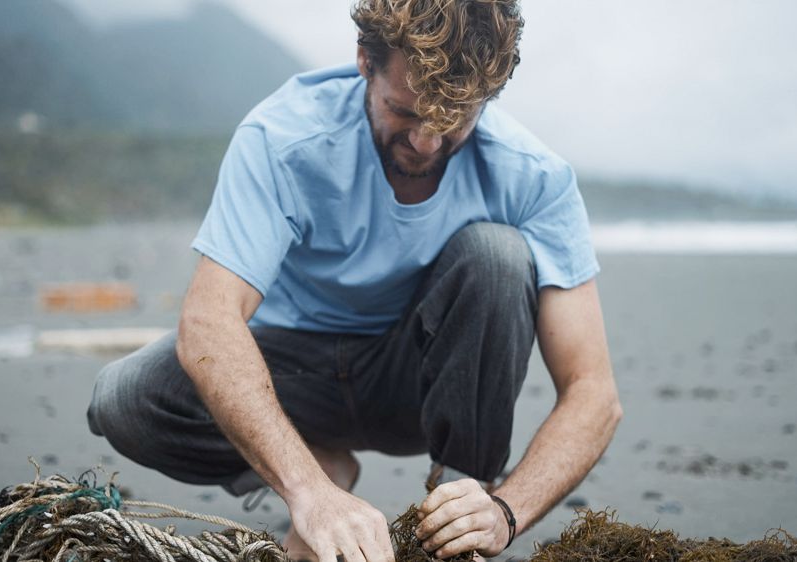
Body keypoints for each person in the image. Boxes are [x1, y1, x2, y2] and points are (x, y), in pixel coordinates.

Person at [86, 1, 622, 561]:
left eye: (454, 121)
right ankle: (320, 464)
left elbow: (593, 392)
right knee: (122, 398)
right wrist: (309, 494)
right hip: (292, 377)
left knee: (497, 255)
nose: (427, 144)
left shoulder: (533, 176)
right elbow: (209, 319)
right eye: (405, 113)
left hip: (418, 382)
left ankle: (457, 513)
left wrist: (505, 513)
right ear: (365, 60)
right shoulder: (284, 137)